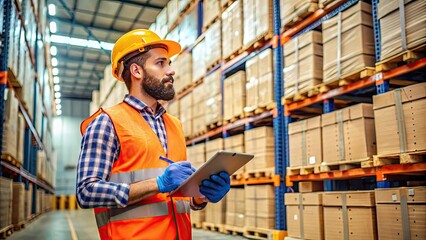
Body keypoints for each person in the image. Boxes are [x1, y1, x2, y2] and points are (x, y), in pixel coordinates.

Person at [76, 29, 230, 240]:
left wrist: (200, 197)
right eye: (161, 63)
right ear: (137, 71)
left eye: (170, 63)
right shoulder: (107, 123)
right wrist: (157, 184)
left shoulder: (174, 125)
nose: (171, 71)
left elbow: (175, 196)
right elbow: (86, 192)